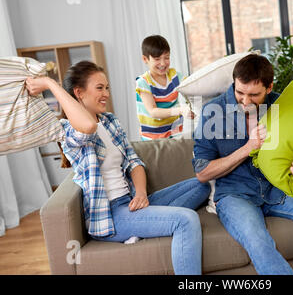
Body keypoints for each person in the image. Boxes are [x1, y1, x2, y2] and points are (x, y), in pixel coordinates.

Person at [25, 61, 210, 275]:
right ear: (79, 93)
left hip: (131, 202)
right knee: (185, 221)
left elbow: (134, 162)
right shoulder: (66, 130)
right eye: (99, 88)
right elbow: (87, 126)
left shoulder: (110, 121)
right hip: (111, 215)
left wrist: (141, 194)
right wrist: (50, 83)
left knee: (204, 182)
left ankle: (145, 224)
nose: (106, 94)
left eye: (107, 88)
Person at [192, 54, 293, 275]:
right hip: (235, 195)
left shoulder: (281, 106)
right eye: (239, 92)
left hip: (275, 189)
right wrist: (248, 148)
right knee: (256, 238)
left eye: (254, 95)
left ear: (269, 88)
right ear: (234, 83)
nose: (245, 101)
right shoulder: (212, 112)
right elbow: (202, 172)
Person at [135, 35, 194, 140]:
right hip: (153, 137)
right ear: (145, 59)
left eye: (166, 57)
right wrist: (180, 110)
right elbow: (153, 112)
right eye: (157, 59)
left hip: (175, 131)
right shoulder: (143, 82)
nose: (163, 63)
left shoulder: (174, 76)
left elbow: (192, 85)